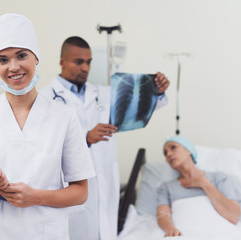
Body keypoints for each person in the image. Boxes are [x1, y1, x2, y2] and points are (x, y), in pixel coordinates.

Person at [0, 14, 96, 240]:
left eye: (21, 55)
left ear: (36, 57)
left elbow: (80, 193)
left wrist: (35, 197)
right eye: (2, 60)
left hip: (46, 233)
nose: (13, 67)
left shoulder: (64, 117)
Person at [40, 36, 170, 240]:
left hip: (105, 185)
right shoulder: (45, 99)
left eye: (89, 62)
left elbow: (137, 109)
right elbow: (43, 145)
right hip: (71, 188)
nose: (85, 67)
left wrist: (156, 90)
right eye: (78, 62)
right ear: (62, 61)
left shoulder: (102, 93)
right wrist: (85, 138)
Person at [157, 136, 241, 237]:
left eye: (173, 147)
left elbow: (233, 216)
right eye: (165, 153)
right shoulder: (166, 187)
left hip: (222, 233)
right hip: (185, 233)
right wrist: (169, 228)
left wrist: (204, 184)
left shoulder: (219, 178)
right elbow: (163, 214)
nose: (168, 154)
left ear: (188, 150)